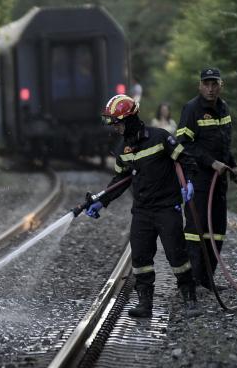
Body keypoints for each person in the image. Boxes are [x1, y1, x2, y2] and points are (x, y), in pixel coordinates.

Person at [85, 94, 199, 317]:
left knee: (177, 256)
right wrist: (102, 201)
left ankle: (190, 299)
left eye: (117, 123)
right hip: (142, 211)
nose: (115, 128)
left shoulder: (160, 138)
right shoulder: (123, 149)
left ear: (129, 119)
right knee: (140, 258)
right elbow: (119, 181)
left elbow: (185, 160)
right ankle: (145, 304)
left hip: (167, 207)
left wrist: (189, 182)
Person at [176, 67, 237, 291]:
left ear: (221, 85)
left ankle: (207, 278)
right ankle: (192, 280)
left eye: (215, 84)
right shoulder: (192, 109)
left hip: (219, 182)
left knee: (218, 230)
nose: (211, 88)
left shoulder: (224, 109)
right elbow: (183, 143)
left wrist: (233, 165)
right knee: (197, 231)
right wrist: (210, 162)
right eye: (207, 84)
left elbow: (224, 144)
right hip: (199, 180)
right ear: (200, 86)